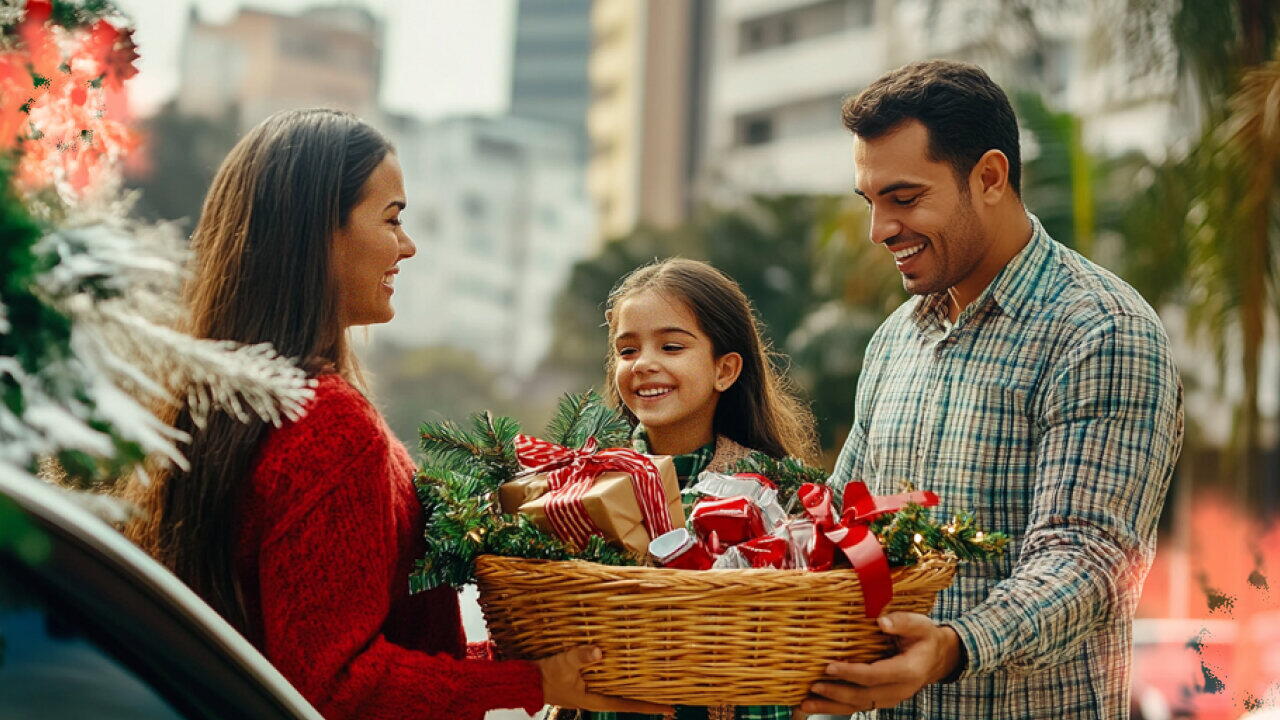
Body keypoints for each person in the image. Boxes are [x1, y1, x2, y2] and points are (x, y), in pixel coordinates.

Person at [125, 108, 669, 720]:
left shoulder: (214, 400)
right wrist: (529, 684)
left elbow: (315, 651)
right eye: (392, 219)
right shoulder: (324, 422)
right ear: (317, 232)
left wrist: (531, 669)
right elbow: (335, 687)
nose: (407, 247)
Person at [803, 61, 1184, 720]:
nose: (880, 230)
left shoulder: (1100, 331)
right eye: (871, 203)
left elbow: (1088, 557)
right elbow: (839, 527)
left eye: (904, 197)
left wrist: (951, 648)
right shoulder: (895, 340)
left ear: (989, 178)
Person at [578, 257, 820, 720]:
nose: (644, 364)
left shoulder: (772, 496)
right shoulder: (583, 483)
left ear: (724, 370)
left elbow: (784, 647)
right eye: (627, 351)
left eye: (671, 347)